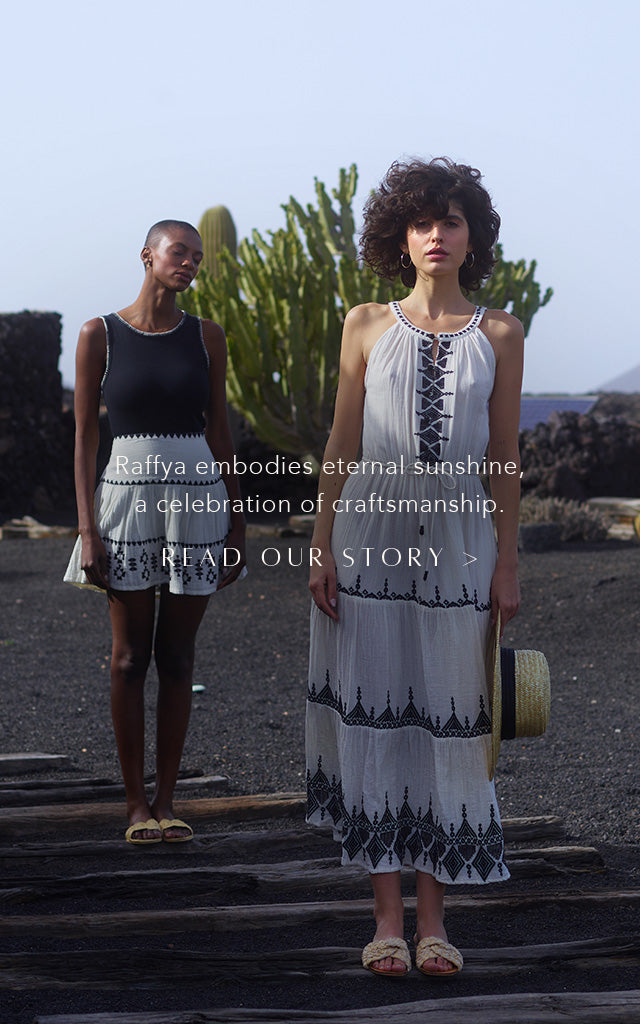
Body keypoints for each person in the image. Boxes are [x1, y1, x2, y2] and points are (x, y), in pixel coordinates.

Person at [306, 159, 523, 976]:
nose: (438, 234)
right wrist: (321, 544)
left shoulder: (500, 333)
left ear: (473, 238)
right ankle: (387, 919)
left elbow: (504, 457)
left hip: (464, 539)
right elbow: (339, 444)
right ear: (400, 237)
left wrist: (508, 562)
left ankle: (436, 920)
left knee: (449, 720)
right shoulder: (364, 322)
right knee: (376, 716)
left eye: (454, 220)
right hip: (371, 533)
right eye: (424, 221)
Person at [64, 220, 246, 845]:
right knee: (127, 659)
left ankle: (168, 802)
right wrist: (87, 529)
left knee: (177, 656)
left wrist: (236, 519)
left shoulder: (207, 337)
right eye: (179, 252)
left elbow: (219, 430)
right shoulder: (100, 334)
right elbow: (87, 437)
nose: (190, 263)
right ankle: (135, 803)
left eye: (198, 256)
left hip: (198, 503)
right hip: (126, 506)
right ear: (148, 255)